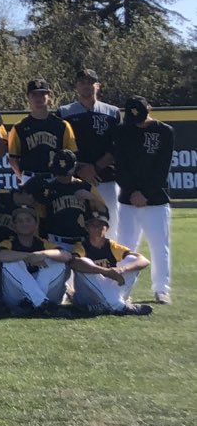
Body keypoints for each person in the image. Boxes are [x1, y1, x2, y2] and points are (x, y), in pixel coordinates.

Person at [112, 96, 173, 304]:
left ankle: (161, 289)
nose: (137, 122)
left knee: (159, 245)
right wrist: (132, 192)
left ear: (149, 109)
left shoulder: (164, 132)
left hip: (155, 199)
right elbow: (120, 167)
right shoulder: (122, 131)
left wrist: (145, 193)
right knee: (125, 245)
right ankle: (122, 287)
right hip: (128, 199)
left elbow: (162, 168)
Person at [58, 68, 122, 240]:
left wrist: (95, 167)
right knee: (77, 224)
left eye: (90, 82)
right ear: (76, 86)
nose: (86, 86)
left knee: (111, 226)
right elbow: (61, 148)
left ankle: (110, 263)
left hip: (106, 178)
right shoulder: (64, 112)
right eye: (82, 82)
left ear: (98, 86)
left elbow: (118, 147)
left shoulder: (112, 112)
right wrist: (79, 168)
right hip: (76, 180)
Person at [0, 206, 73, 316]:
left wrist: (43, 254)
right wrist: (28, 256)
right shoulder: (9, 243)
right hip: (16, 297)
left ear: (36, 225)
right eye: (20, 221)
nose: (24, 223)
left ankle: (34, 302)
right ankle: (42, 303)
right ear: (14, 226)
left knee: (56, 261)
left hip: (42, 295)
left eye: (28, 220)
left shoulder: (43, 243)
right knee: (12, 262)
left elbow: (67, 256)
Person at [69, 211, 153, 315]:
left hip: (109, 290)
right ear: (87, 228)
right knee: (84, 263)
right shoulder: (81, 246)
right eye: (93, 225)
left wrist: (123, 269)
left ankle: (103, 306)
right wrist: (107, 272)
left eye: (100, 225)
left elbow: (144, 260)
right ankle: (120, 306)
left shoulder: (112, 246)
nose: (97, 228)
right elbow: (74, 263)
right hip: (87, 295)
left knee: (131, 260)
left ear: (107, 228)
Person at [9, 79, 78, 183]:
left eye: (42, 94)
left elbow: (72, 156)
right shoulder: (19, 127)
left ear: (49, 96)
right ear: (28, 97)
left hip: (55, 178)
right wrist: (23, 177)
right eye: (34, 95)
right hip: (29, 177)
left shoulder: (62, 125)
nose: (38, 98)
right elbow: (13, 159)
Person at [35, 149, 106, 251]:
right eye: (60, 173)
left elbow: (104, 212)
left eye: (65, 174)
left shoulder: (85, 187)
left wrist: (91, 198)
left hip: (82, 244)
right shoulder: (47, 189)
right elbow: (40, 220)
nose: (63, 177)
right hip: (56, 243)